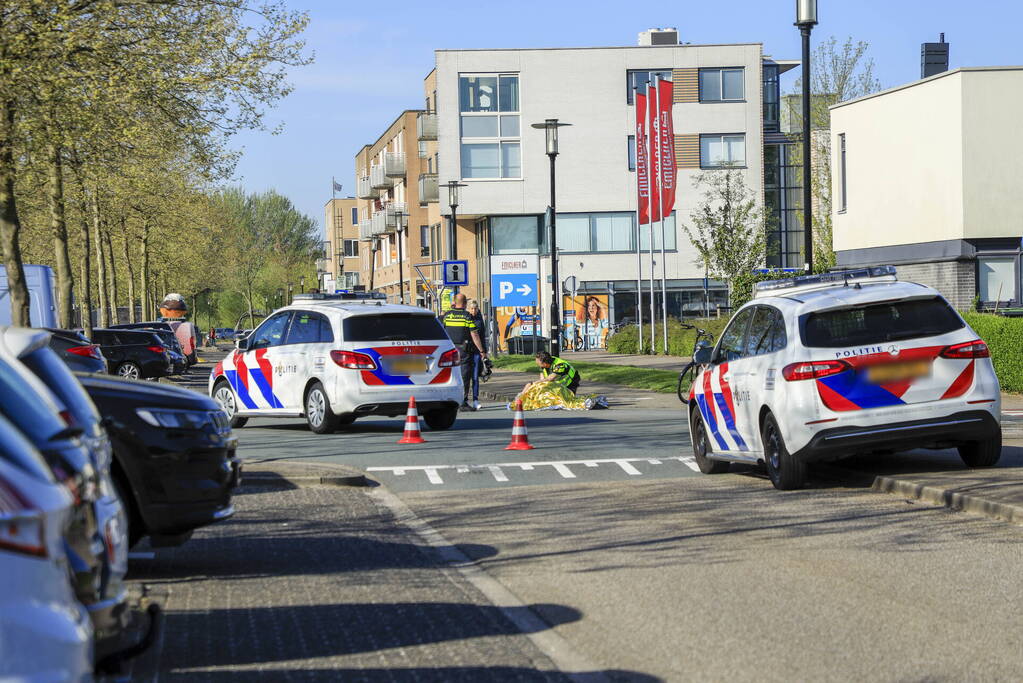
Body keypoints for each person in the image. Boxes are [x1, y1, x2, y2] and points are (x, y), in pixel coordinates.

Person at [440, 293, 488, 410]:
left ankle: (448, 400)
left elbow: (441, 330)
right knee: (464, 376)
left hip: (449, 351)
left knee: (449, 376)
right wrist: (482, 351)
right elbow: (474, 334)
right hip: (464, 351)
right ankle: (463, 402)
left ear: (454, 302)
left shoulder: (447, 316)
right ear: (465, 303)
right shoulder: (467, 316)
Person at [466, 299, 487, 409]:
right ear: (468, 309)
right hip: (466, 351)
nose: (473, 311)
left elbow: (482, 336)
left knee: (475, 376)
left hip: (476, 352)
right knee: (465, 376)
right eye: (472, 308)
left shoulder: (479, 320)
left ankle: (475, 399)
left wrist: (484, 351)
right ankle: (464, 399)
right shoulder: (465, 318)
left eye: (475, 308)